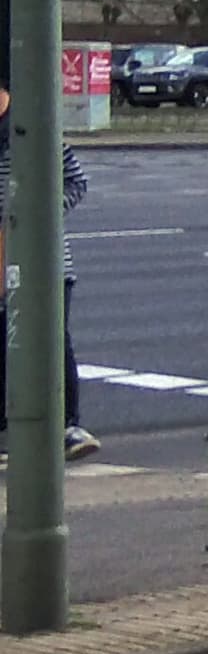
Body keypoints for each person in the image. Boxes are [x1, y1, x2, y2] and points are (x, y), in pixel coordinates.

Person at [0, 90, 96, 462]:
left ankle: (68, 425)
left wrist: (34, 215)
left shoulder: (37, 133)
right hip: (1, 257)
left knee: (52, 340)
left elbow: (76, 183)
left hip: (45, 261)